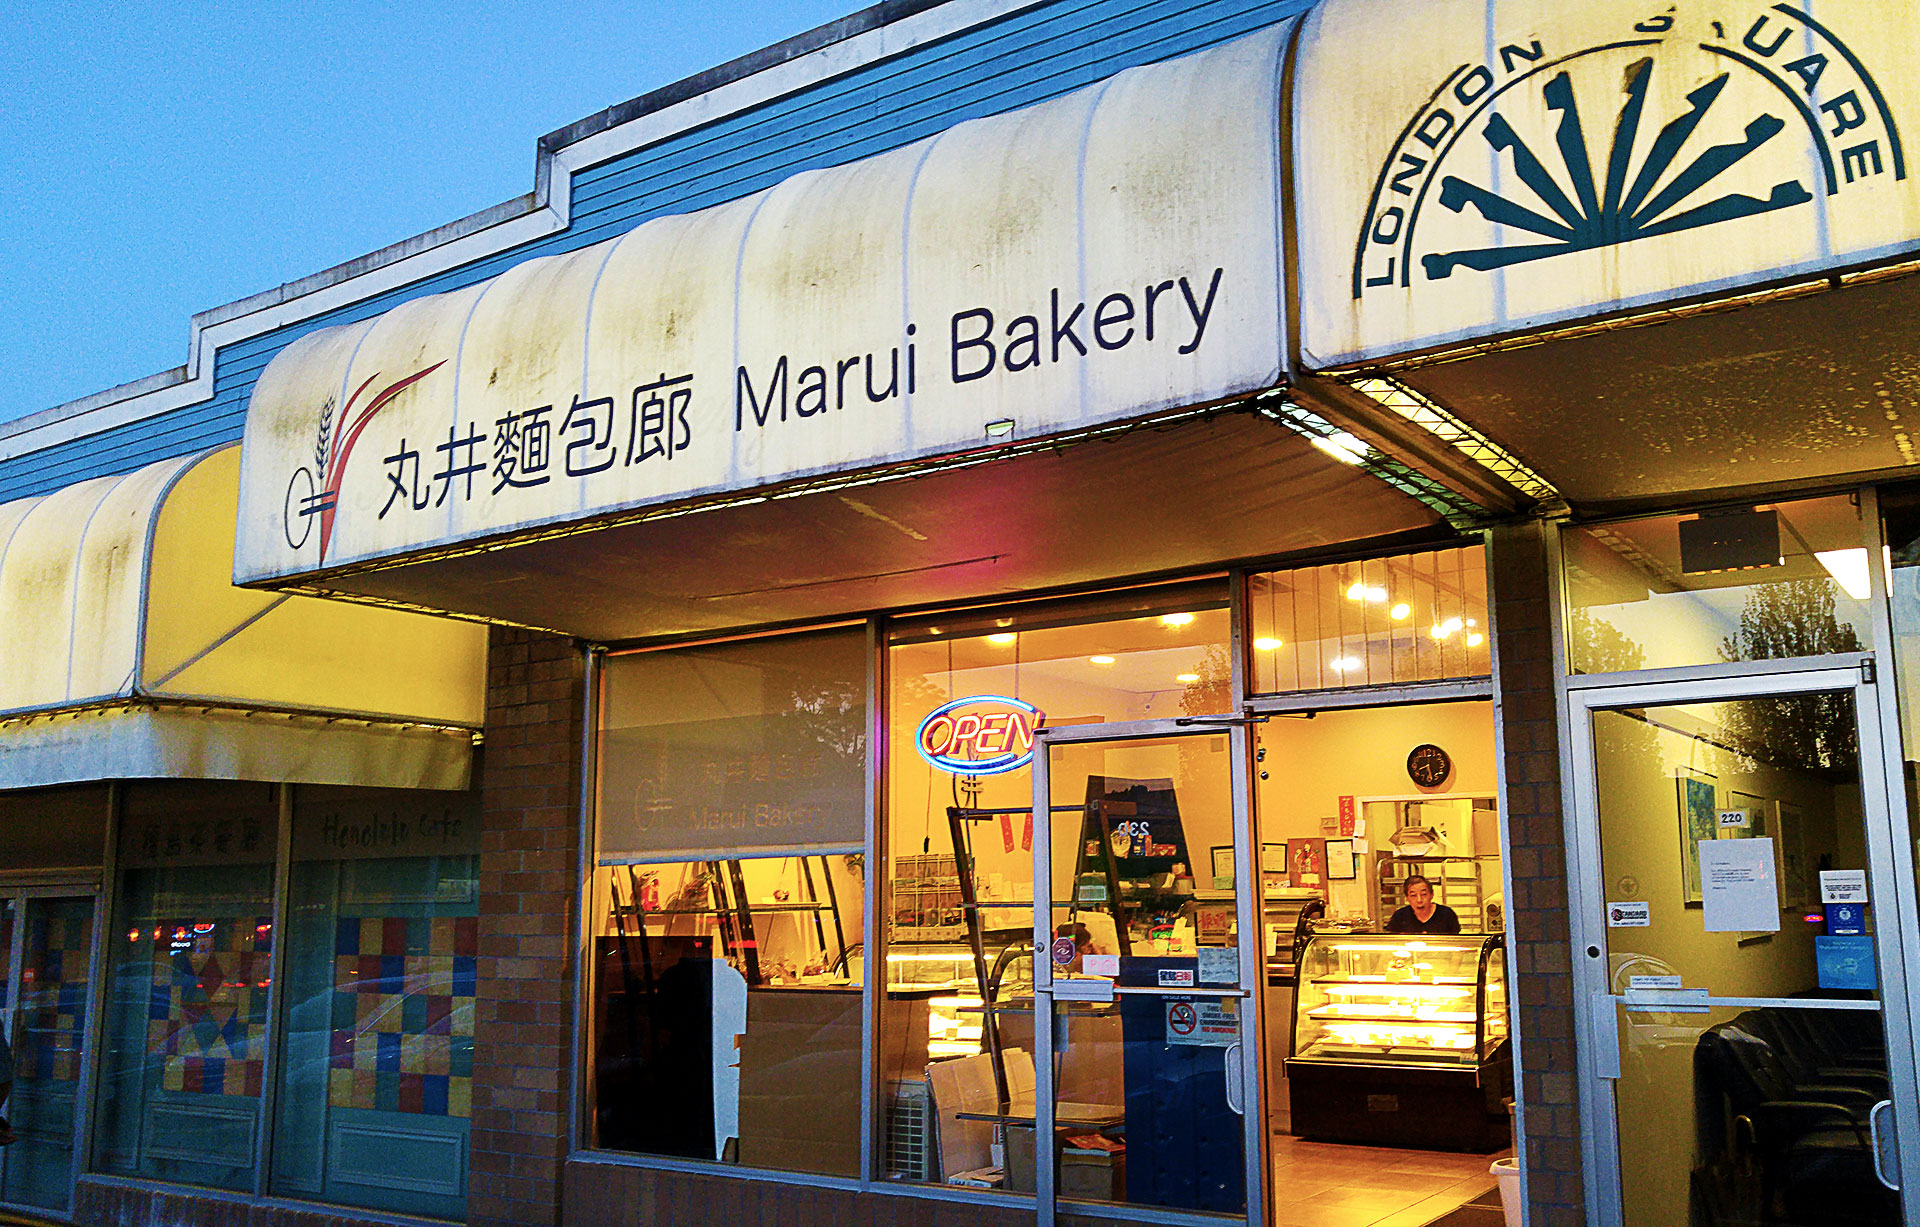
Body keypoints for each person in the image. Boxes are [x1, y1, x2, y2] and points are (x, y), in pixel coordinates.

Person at [1384, 874, 1461, 935]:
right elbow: (1393, 942)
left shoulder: (1446, 914)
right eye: (1413, 896)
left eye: (1423, 894)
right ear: (1407, 898)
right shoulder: (1400, 916)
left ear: (1431, 894)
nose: (1419, 900)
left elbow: (1455, 943)